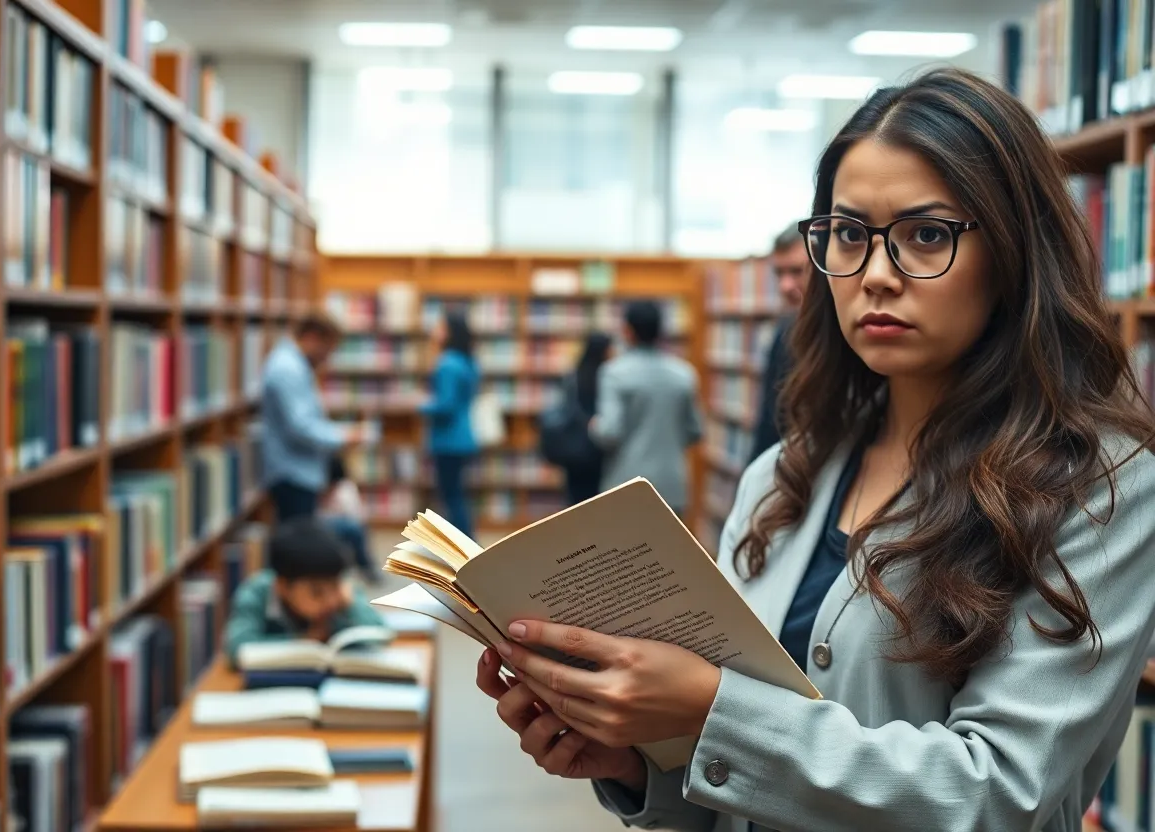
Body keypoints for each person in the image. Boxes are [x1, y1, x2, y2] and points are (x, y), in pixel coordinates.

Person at [475, 67, 1155, 832]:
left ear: (1014, 250)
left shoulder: (1102, 491)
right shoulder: (783, 475)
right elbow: (734, 791)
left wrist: (709, 709)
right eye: (849, 235)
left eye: (927, 236)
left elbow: (994, 797)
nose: (875, 276)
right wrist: (638, 765)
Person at [589, 301, 702, 517]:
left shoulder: (614, 373)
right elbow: (695, 431)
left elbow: (610, 432)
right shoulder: (684, 374)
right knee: (668, 548)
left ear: (627, 331)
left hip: (626, 484)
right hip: (671, 485)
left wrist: (594, 426)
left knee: (623, 549)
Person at [223, 517, 384, 669]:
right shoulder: (256, 593)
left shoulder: (343, 593)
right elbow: (237, 649)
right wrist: (303, 642)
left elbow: (380, 635)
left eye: (335, 586)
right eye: (317, 592)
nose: (329, 600)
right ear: (283, 586)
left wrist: (352, 605)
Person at [261, 311, 373, 523]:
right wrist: (343, 437)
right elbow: (301, 426)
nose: (327, 358)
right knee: (300, 542)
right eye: (327, 349)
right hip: (292, 474)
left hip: (300, 470)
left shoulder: (297, 365)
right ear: (312, 338)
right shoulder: (288, 369)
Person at [747, 226, 811, 464]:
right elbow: (770, 423)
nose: (785, 286)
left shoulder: (854, 336)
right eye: (779, 273)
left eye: (797, 271)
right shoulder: (785, 334)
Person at [420, 309, 481, 538]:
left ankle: (465, 546)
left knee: (451, 495)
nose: (435, 332)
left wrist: (421, 404)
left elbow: (445, 406)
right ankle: (466, 542)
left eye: (440, 327)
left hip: (448, 439)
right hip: (464, 436)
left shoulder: (446, 364)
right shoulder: (468, 361)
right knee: (457, 493)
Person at [559, 332, 612, 505]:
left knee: (575, 502)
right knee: (598, 501)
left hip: (574, 447)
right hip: (599, 449)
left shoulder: (573, 375)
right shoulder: (609, 377)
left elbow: (566, 408)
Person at [319, 455, 381, 585]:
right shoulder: (316, 488)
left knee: (355, 528)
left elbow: (356, 514)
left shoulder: (346, 488)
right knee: (354, 529)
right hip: (324, 526)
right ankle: (365, 566)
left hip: (342, 525)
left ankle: (364, 566)